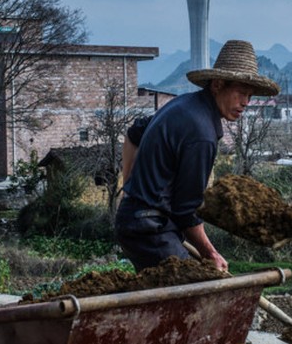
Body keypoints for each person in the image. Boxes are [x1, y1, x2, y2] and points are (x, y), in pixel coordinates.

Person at [115, 39, 279, 272]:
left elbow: (134, 133)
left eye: (250, 96)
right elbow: (186, 211)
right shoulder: (202, 133)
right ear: (218, 84)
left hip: (139, 221)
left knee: (164, 298)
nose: (245, 103)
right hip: (149, 229)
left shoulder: (184, 105)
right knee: (195, 289)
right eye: (241, 93)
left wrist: (130, 187)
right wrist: (210, 253)